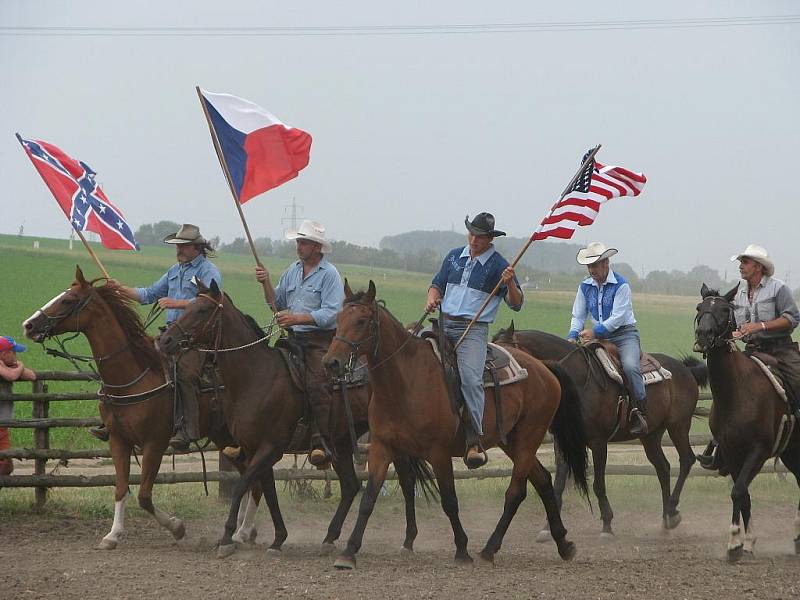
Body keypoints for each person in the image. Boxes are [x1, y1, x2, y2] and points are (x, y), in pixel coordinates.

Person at [96, 224, 222, 450]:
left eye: (183, 246)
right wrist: (120, 289)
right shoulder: (175, 271)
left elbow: (212, 301)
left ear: (196, 248)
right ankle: (115, 420)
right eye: (178, 246)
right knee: (133, 360)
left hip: (196, 338)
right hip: (171, 334)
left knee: (185, 373)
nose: (179, 250)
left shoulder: (208, 271)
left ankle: (188, 429)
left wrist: (177, 303)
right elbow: (148, 295)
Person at [426, 213, 523, 468]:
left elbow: (516, 304)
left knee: (470, 378)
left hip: (473, 330)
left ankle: (474, 439)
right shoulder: (453, 256)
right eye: (471, 233)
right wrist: (432, 297)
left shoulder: (499, 265)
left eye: (479, 236)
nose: (473, 239)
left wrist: (510, 283)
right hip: (443, 323)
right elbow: (436, 284)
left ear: (490, 239)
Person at [698, 244, 800, 470]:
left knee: (797, 380)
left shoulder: (778, 288)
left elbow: (792, 318)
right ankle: (718, 444)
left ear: (758, 267)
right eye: (741, 263)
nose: (741, 267)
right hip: (753, 350)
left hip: (781, 350)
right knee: (728, 386)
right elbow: (737, 326)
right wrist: (729, 334)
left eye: (745, 262)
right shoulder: (740, 294)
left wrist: (760, 325)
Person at [255, 220, 344, 467]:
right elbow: (275, 303)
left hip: (319, 341)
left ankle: (321, 441)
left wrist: (297, 317)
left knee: (318, 382)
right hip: (292, 339)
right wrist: (266, 283)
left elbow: (332, 313)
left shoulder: (330, 275)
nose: (299, 246)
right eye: (298, 241)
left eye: (303, 242)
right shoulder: (292, 270)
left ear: (317, 247)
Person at [567, 242, 648, 435]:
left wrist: (595, 332)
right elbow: (578, 315)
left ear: (606, 263)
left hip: (624, 335)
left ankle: (640, 411)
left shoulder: (622, 285)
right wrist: (571, 336)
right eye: (589, 266)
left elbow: (618, 317)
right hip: (598, 336)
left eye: (595, 265)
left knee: (629, 366)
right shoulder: (585, 286)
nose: (591, 270)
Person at [0, 336, 37, 476]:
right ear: (4, 354)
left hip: (2, 425)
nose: (16, 356)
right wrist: (20, 366)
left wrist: (16, 367)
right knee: (4, 464)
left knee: (6, 465)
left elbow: (32, 376)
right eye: (13, 352)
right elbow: (10, 376)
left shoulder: (8, 366)